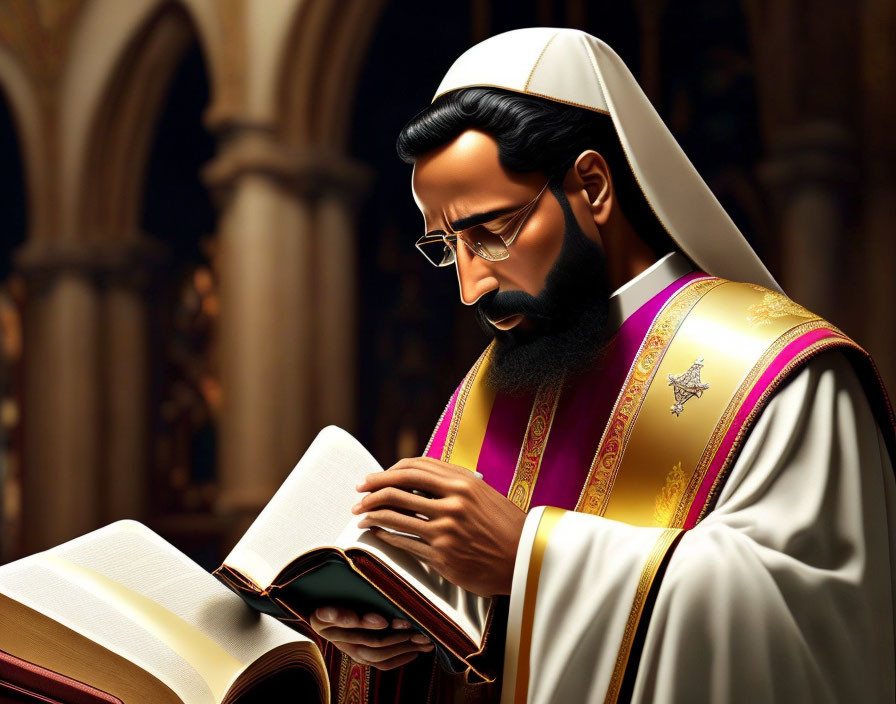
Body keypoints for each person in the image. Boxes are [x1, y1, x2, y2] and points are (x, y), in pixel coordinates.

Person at [308, 28, 896, 703]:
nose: (470, 287)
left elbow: (815, 626)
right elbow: (477, 630)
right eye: (446, 247)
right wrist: (397, 630)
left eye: (491, 234)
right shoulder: (490, 386)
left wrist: (532, 557)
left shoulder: (784, 373)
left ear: (591, 186)